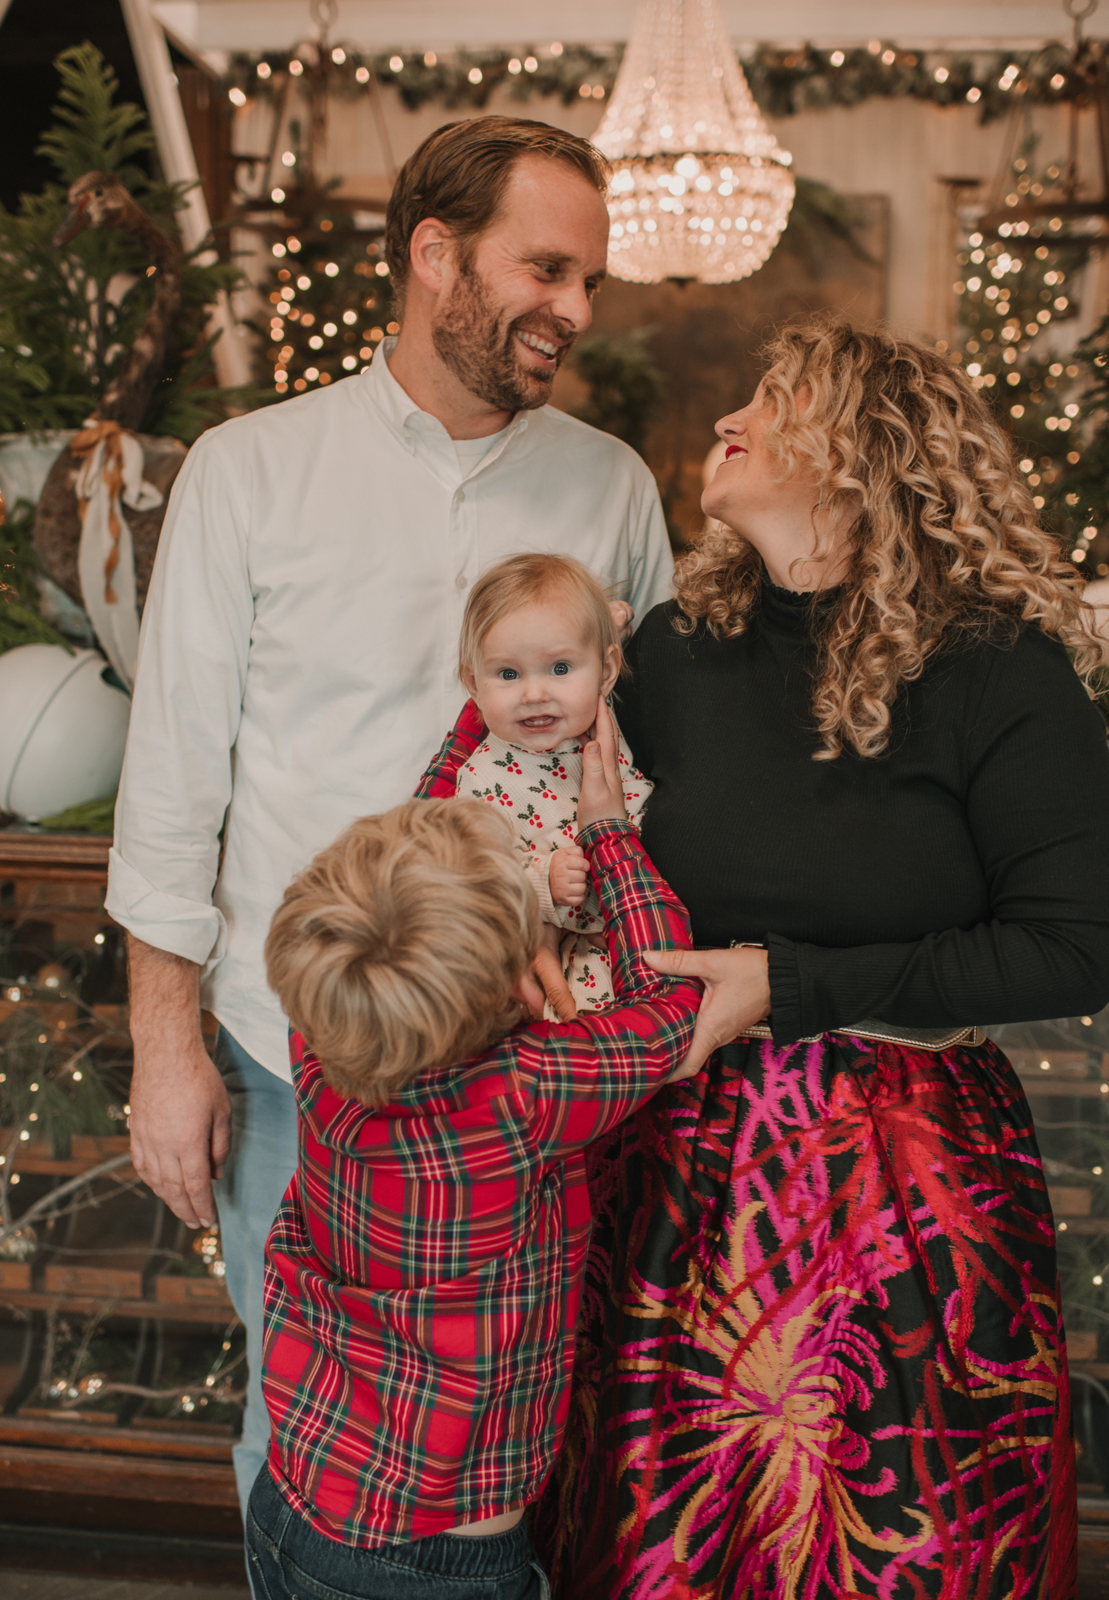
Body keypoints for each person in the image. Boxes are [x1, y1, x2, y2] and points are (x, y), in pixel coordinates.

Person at [426, 318, 1109, 1597]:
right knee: (647, 1550)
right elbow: (528, 804)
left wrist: (786, 986)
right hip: (663, 1175)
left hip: (908, 1193)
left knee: (901, 1549)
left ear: (857, 459)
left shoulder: (997, 671)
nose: (729, 415)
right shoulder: (673, 652)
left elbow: (1073, 950)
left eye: (771, 399)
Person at [105, 114, 673, 1515]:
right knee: (303, 1437)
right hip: (294, 1063)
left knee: (535, 1441)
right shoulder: (249, 470)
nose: (576, 310)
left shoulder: (611, 486)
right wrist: (167, 1050)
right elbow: (174, 784)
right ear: (435, 254)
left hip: (542, 1079)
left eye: (591, 281)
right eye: (546, 269)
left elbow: (656, 763)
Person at [248, 703, 717, 1599]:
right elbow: (668, 993)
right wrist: (609, 831)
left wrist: (476, 725)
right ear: (508, 979)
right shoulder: (525, 1091)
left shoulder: (320, 1031)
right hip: (436, 1564)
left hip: (294, 1498)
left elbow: (415, 860)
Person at [441, 552, 652, 1014]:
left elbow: (594, 635)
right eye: (508, 674)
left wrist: (613, 618)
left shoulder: (598, 719)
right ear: (473, 684)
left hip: (641, 919)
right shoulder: (480, 778)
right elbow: (478, 878)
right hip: (569, 952)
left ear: (607, 673)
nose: (534, 694)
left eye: (559, 669)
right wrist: (544, 883)